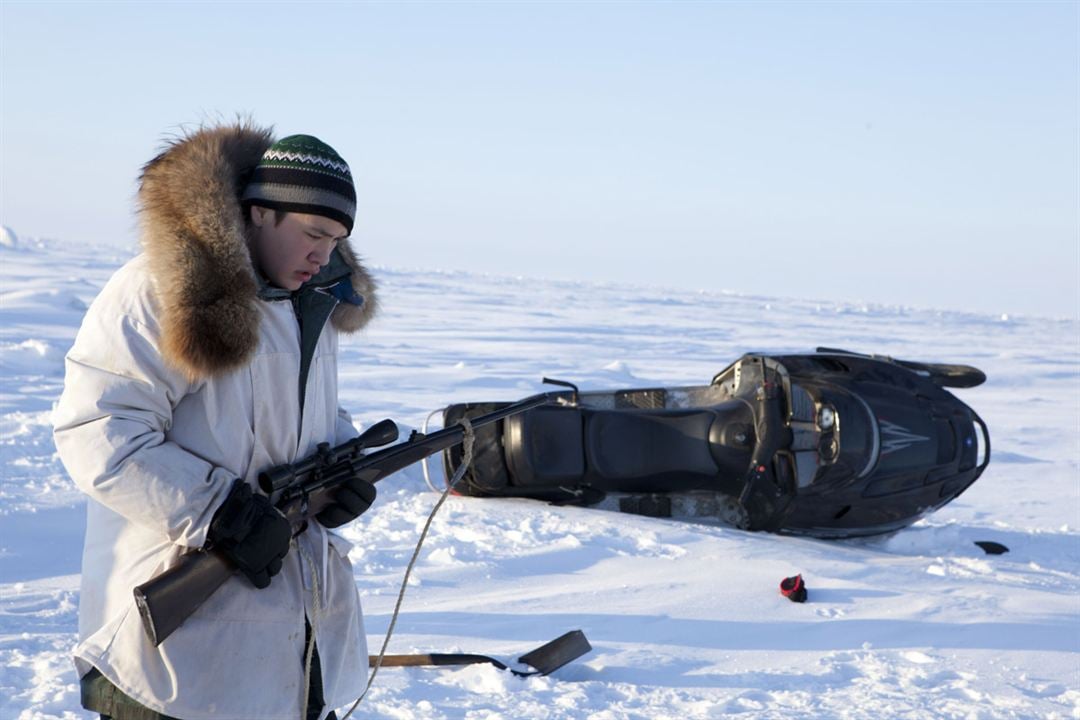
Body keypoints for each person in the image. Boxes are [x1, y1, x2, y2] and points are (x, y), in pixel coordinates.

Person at [53, 123, 379, 720]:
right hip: (176, 654)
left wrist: (344, 469)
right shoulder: (159, 289)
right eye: (312, 234)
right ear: (258, 213)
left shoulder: (315, 303)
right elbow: (100, 432)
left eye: (335, 241)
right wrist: (218, 512)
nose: (322, 256)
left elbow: (313, 417)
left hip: (293, 645)